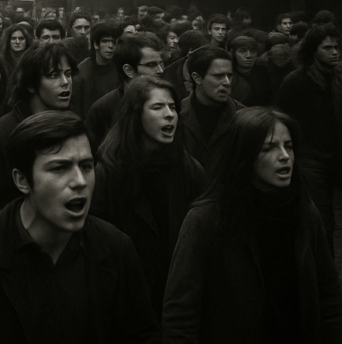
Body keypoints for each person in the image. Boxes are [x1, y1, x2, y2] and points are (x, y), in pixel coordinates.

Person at [0, 111, 159, 343]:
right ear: (22, 180)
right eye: (59, 168)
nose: (80, 182)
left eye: (86, 166)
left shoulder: (115, 250)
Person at [162, 107, 342, 342]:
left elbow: (328, 294)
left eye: (288, 146)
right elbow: (180, 311)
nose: (284, 156)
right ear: (245, 156)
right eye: (268, 148)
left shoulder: (302, 211)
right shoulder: (206, 220)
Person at [91, 76, 207, 320]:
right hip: (124, 300)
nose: (170, 115)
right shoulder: (107, 173)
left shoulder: (187, 168)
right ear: (135, 115)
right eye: (158, 107)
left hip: (174, 294)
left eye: (173, 107)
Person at [0, 43, 77, 207]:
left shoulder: (74, 129)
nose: (65, 82)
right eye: (53, 75)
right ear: (30, 84)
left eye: (68, 74)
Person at [276, 23, 340, 252]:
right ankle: (323, 277)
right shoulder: (296, 82)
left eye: (336, 47)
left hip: (333, 155)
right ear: (314, 50)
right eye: (327, 48)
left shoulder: (336, 78)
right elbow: (281, 119)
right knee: (321, 221)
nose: (334, 52)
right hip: (309, 157)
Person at [84, 33, 165, 145]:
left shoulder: (168, 102)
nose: (160, 70)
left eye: (161, 64)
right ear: (129, 70)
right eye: (151, 65)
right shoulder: (103, 110)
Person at [179, 46, 242, 172]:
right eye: (218, 76)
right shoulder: (176, 114)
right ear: (197, 78)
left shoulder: (242, 116)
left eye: (229, 76)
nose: (227, 82)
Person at [70, 21, 119, 117]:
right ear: (96, 44)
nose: (110, 46)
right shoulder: (82, 72)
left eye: (113, 42)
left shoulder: (120, 68)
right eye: (105, 41)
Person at [228, 35, 273, 106]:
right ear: (233, 53)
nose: (249, 55)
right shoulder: (228, 75)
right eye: (242, 51)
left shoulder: (263, 72)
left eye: (253, 51)